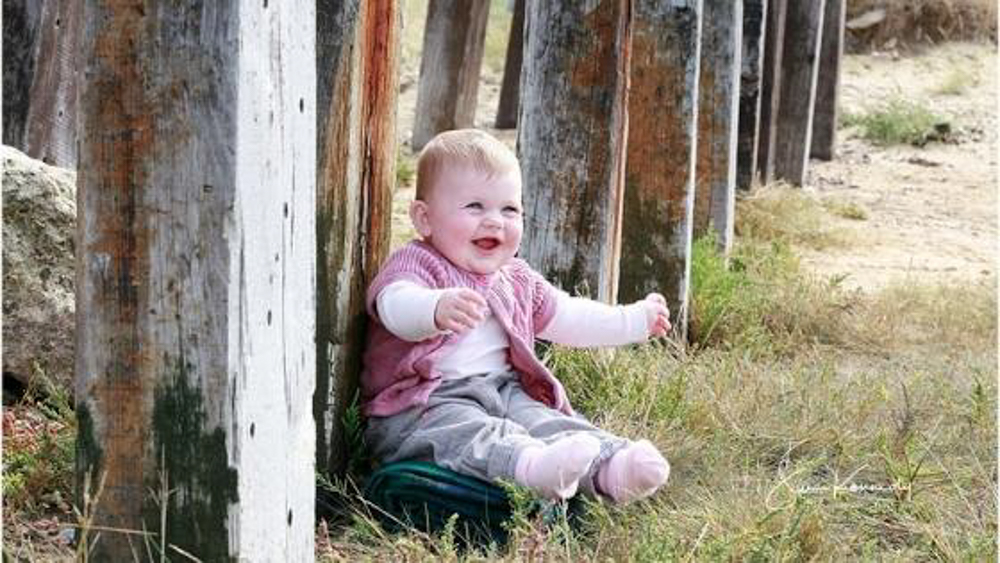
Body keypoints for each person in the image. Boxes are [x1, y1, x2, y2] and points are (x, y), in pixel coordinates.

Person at [362, 129, 671, 503]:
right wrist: (433, 308)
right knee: (470, 433)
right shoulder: (421, 264)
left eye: (509, 209)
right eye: (474, 207)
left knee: (543, 419)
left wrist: (634, 321)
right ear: (425, 219)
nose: (495, 221)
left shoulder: (517, 279)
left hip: (502, 391)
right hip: (423, 405)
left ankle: (610, 467)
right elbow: (393, 303)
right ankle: (530, 468)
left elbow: (569, 316)